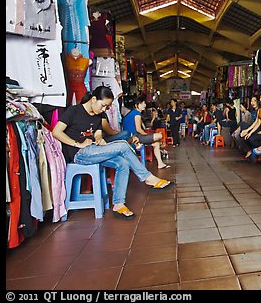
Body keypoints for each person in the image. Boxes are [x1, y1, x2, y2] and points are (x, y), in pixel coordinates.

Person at [51, 86, 173, 221]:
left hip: (93, 151)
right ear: (93, 99)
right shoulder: (74, 111)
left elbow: (97, 135)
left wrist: (99, 140)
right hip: (79, 154)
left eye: (106, 107)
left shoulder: (97, 115)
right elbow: (56, 132)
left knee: (123, 163)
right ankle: (148, 178)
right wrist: (77, 144)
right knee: (122, 145)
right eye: (103, 105)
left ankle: (119, 204)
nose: (104, 110)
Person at [122, 94, 170, 169]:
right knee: (159, 135)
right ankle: (160, 145)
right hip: (134, 137)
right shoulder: (137, 114)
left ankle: (160, 164)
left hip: (132, 136)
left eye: (144, 103)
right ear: (136, 105)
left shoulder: (132, 113)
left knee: (156, 143)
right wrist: (146, 135)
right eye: (142, 103)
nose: (144, 105)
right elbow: (138, 129)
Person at [240, 93, 261, 159]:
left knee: (252, 139)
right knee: (248, 137)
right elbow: (257, 122)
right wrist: (249, 132)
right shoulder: (260, 110)